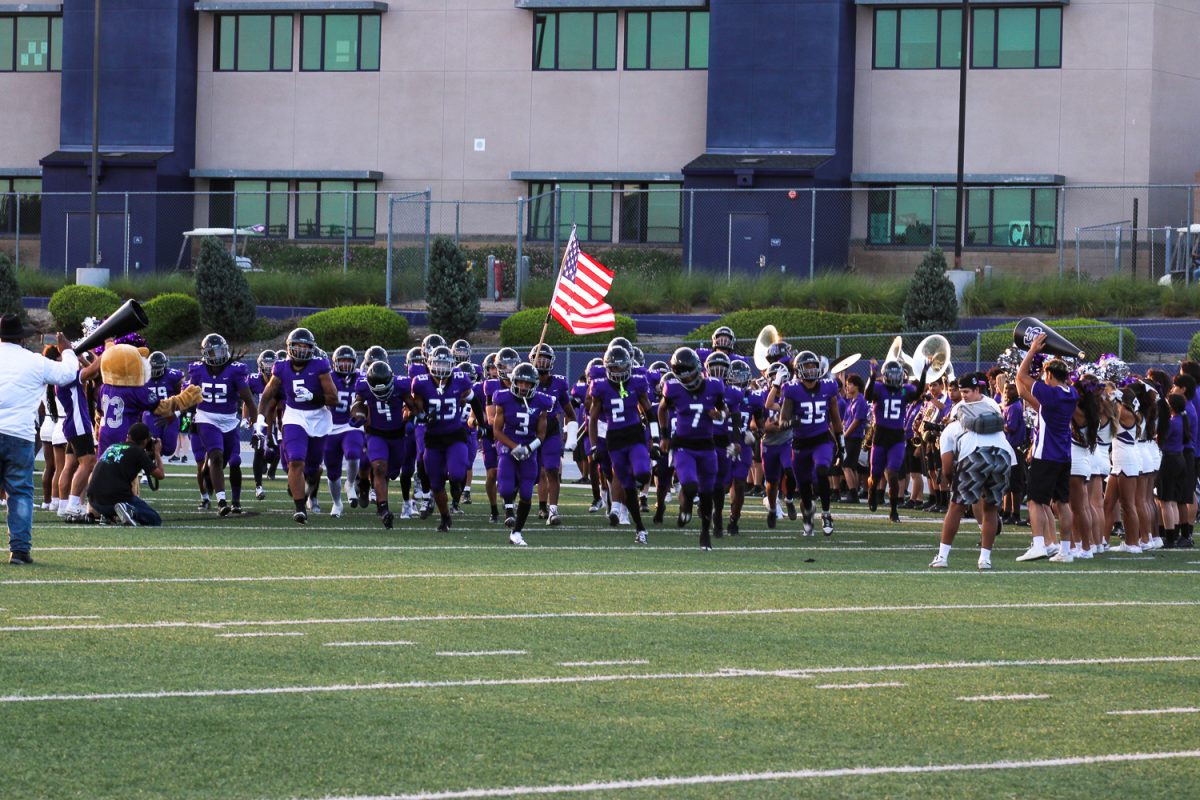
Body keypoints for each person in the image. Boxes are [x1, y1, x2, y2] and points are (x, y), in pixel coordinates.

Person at [0, 316, 80, 563]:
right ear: (22, 338)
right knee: (20, 493)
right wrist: (67, 351)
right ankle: (20, 550)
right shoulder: (35, 361)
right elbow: (68, 374)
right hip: (20, 435)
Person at [928, 372, 1014, 570]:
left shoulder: (950, 430)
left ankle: (942, 556)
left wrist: (953, 485)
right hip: (1003, 456)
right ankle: (985, 559)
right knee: (991, 509)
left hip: (975, 455)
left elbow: (948, 468)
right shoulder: (992, 407)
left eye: (966, 391)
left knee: (956, 506)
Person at [1014, 334, 1078, 562]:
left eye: (1045, 374)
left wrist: (1031, 351)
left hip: (1046, 454)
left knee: (1034, 500)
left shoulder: (1050, 393)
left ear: (1049, 375)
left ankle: (1039, 544)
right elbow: (1022, 391)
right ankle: (1066, 551)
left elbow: (1022, 376)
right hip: (1063, 455)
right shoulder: (1072, 393)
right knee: (1062, 503)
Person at [86, 422, 166, 527]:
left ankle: (108, 515)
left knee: (113, 491)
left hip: (94, 502)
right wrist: (157, 453)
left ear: (128, 436)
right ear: (145, 441)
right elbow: (160, 475)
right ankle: (129, 511)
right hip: (115, 500)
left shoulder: (113, 446)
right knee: (154, 518)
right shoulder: (138, 452)